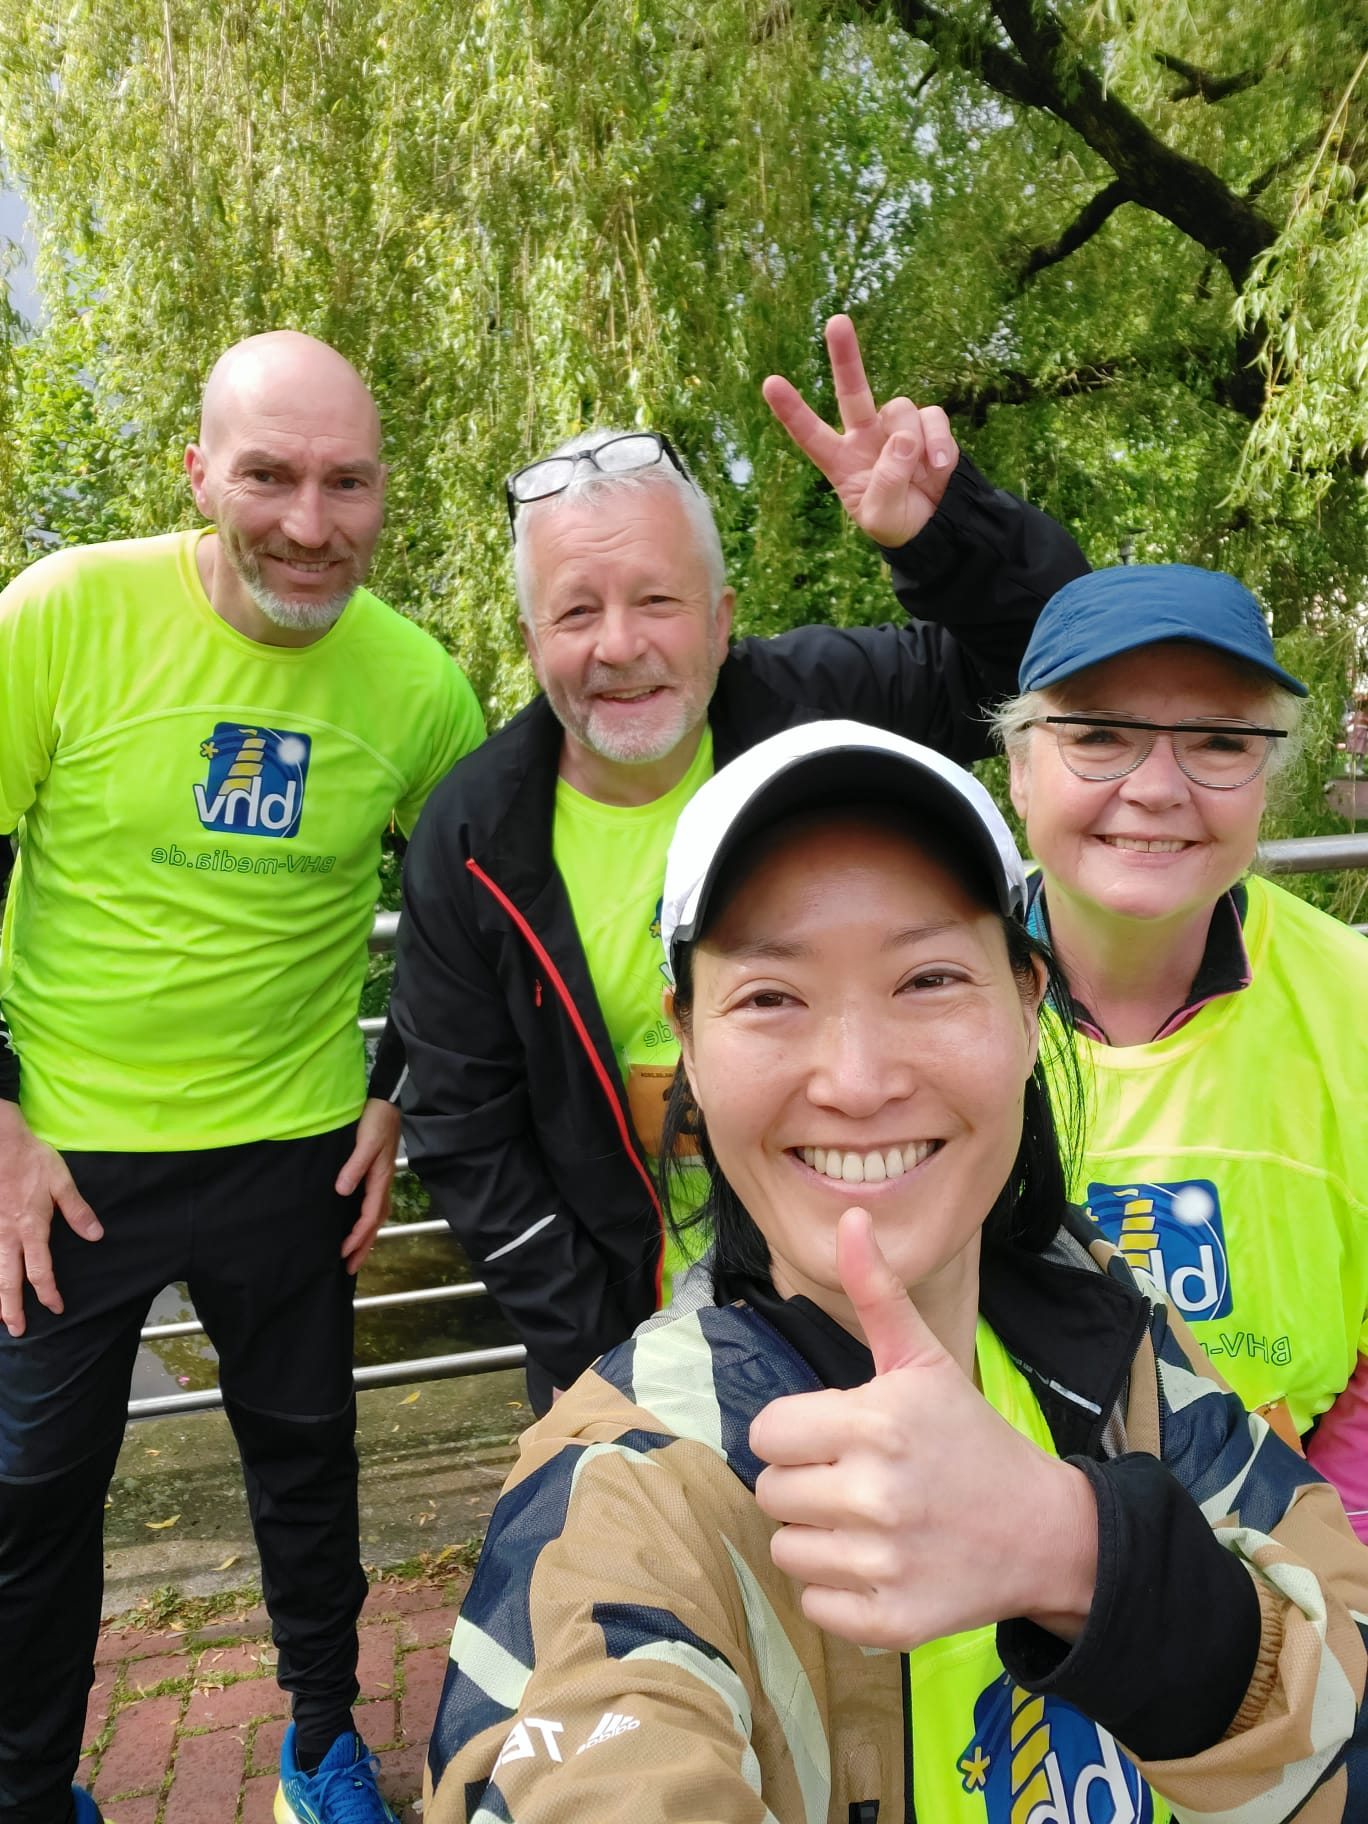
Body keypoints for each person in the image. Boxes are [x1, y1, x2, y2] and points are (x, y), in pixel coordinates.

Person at [422, 719, 1368, 1822]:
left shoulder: (1113, 1340)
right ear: (688, 1037)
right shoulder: (635, 1487)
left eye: (926, 979)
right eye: (772, 997)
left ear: (1029, 1006)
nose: (858, 1081)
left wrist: (1081, 1553)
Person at [391, 315, 1084, 1412]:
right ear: (531, 645)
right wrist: (622, 1366)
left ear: (720, 620)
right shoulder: (470, 841)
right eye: (577, 611)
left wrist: (940, 535)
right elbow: (468, 1134)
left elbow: (1065, 661)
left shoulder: (827, 701)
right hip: (617, 1328)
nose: (620, 646)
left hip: (891, 1302)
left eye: (657, 601)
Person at [0, 330, 485, 1824]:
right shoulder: (65, 613)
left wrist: (398, 1088)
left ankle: (322, 1747)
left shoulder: (417, 686)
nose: (309, 520)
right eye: (270, 475)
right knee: (29, 1508)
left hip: (292, 1155)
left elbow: (477, 910)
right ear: (199, 470)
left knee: (307, 1471)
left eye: (347, 483)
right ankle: (30, 1793)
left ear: (383, 493)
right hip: (65, 1169)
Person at [896, 483, 1368, 1537]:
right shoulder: (910, 1012)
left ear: (1266, 779)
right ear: (1018, 767)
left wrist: (1332, 1563)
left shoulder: (1358, 1005)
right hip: (983, 1581)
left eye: (1217, 741)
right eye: (1100, 735)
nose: (1158, 787)